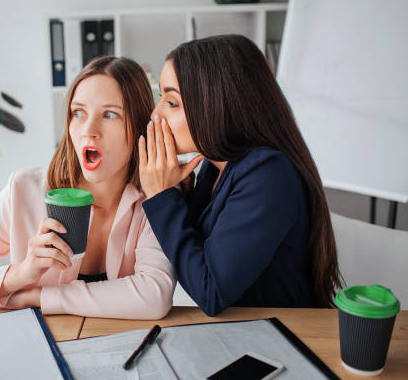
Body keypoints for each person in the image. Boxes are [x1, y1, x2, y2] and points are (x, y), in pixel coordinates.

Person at [0, 56, 175, 319]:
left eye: (110, 114)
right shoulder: (23, 191)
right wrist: (23, 273)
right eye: (79, 112)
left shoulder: (154, 199)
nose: (88, 130)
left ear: (139, 126)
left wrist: (41, 298)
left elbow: (154, 296)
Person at [138, 35, 342, 316]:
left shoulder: (268, 175)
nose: (155, 114)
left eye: (172, 103)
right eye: (161, 99)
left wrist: (161, 197)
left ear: (216, 104)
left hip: (287, 337)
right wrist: (176, 194)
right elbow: (197, 250)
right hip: (241, 332)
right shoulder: (215, 165)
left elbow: (210, 292)